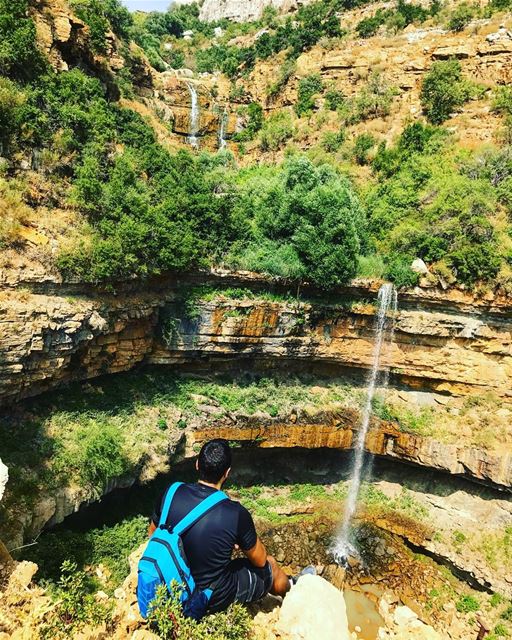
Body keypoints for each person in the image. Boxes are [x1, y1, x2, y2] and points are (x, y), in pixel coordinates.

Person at [149, 439, 292, 613]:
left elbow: (153, 534)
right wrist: (232, 539)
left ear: (197, 465)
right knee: (271, 566)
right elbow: (260, 560)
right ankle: (293, 588)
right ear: (227, 473)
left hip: (166, 581)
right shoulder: (235, 513)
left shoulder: (171, 492)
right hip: (207, 597)